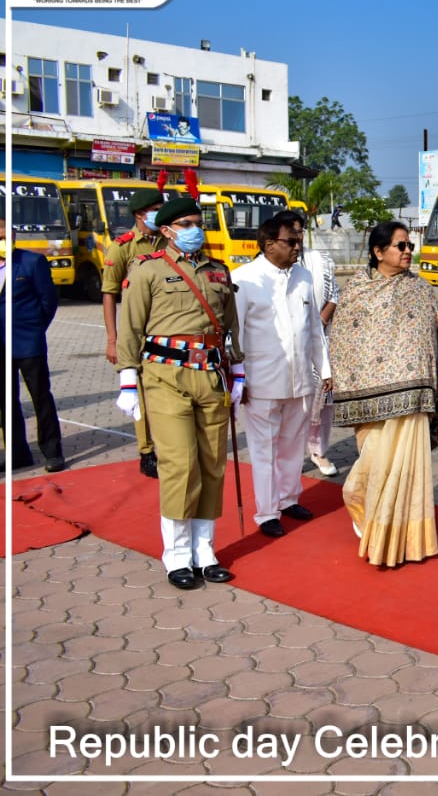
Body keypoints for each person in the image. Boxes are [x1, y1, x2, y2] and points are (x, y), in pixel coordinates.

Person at [114, 177, 243, 589]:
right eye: (185, 223)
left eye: (197, 221)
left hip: (212, 375)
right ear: (167, 230)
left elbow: (231, 325)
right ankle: (176, 556)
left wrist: (239, 370)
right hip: (165, 378)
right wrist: (127, 379)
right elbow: (130, 326)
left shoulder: (219, 272)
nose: (195, 229)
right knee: (180, 464)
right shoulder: (147, 269)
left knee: (211, 465)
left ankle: (205, 551)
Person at [329, 222, 438, 567]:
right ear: (378, 251)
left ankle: (407, 541)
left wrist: (428, 380)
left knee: (408, 471)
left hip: (414, 398)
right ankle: (371, 522)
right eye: (400, 246)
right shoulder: (357, 289)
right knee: (372, 467)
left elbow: (435, 340)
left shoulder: (420, 289)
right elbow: (342, 343)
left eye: (409, 246)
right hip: (368, 397)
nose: (407, 252)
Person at [232, 213, 332, 538]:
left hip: (300, 379)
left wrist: (325, 369)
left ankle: (289, 499)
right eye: (292, 240)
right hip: (261, 381)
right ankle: (266, 512)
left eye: (301, 239)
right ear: (269, 243)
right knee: (264, 450)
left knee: (292, 445)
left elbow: (315, 328)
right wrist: (238, 378)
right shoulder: (244, 279)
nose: (298, 246)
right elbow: (235, 336)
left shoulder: (303, 277)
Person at [102, 181, 169, 478]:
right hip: (136, 332)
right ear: (141, 214)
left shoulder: (169, 240)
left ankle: (169, 442)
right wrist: (112, 339)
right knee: (139, 392)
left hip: (167, 328)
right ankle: (146, 450)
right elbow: (109, 294)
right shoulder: (122, 247)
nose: (160, 215)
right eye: (156, 211)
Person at [0, 216, 66, 473]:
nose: (3, 242)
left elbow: (48, 301)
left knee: (40, 397)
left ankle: (52, 451)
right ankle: (17, 454)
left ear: (14, 236)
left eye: (6, 237)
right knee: (7, 401)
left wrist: (36, 329)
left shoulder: (32, 261)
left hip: (28, 343)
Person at [296, 220, 342, 477]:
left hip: (320, 339)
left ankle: (318, 451)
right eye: (291, 231)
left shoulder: (321, 260)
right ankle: (289, 454)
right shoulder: (270, 265)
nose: (297, 236)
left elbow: (334, 293)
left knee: (323, 400)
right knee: (291, 404)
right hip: (287, 348)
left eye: (300, 230)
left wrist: (321, 321)